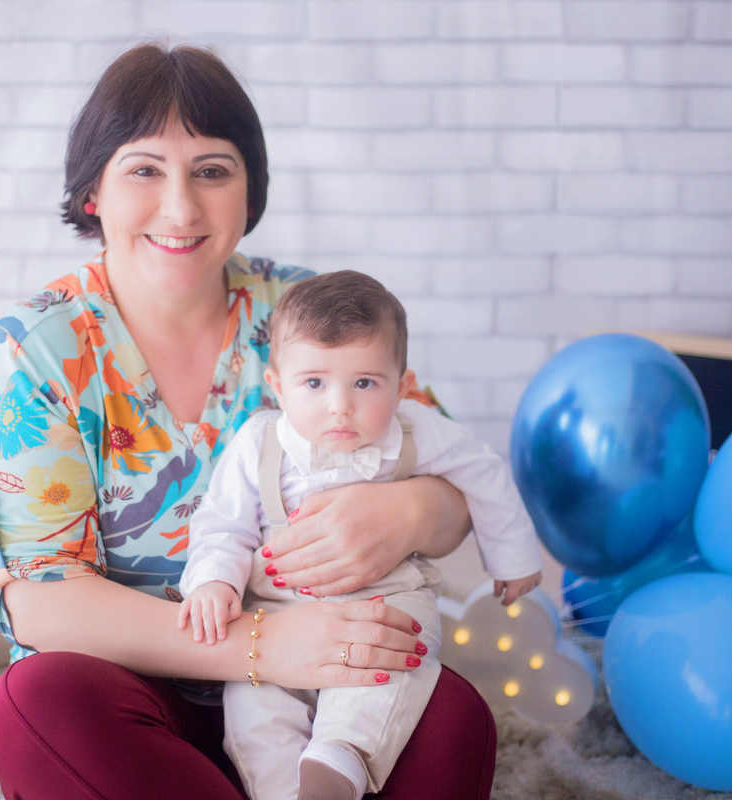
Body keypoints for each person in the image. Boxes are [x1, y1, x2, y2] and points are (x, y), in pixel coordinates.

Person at [0, 41, 501, 799]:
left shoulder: (304, 310)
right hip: (136, 697)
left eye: (212, 171)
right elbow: (40, 600)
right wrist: (266, 646)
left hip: (318, 700)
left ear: (250, 193)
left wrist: (414, 509)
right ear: (93, 194)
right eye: (144, 170)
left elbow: (453, 479)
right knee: (33, 706)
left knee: (456, 719)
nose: (181, 208)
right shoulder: (37, 351)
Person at [178, 270, 543, 800]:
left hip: (385, 601)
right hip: (276, 612)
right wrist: (214, 582)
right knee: (255, 708)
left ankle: (341, 759)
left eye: (365, 382)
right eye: (314, 383)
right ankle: (283, 788)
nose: (340, 405)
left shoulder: (417, 429)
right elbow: (222, 524)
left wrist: (512, 558)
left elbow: (484, 473)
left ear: (402, 384)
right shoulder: (259, 441)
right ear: (278, 385)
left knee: (395, 669)